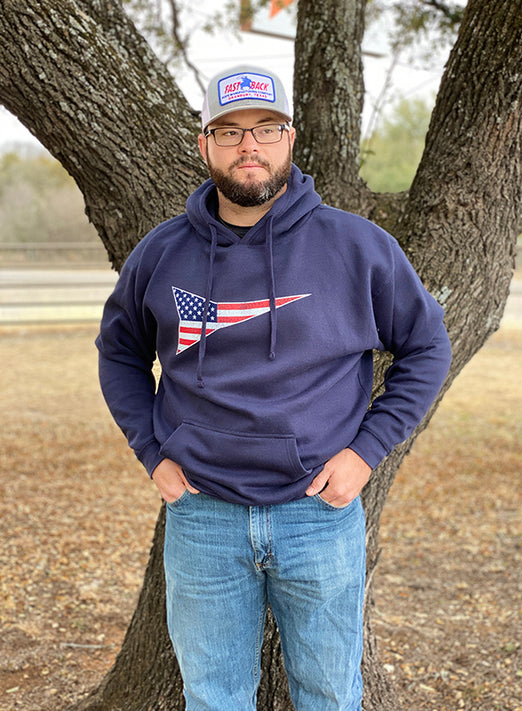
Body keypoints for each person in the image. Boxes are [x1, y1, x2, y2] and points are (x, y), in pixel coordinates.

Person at [96, 64, 452, 710]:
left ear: (290, 139)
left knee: (327, 695)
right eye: (228, 132)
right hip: (203, 515)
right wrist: (151, 451)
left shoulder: (356, 247)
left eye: (264, 128)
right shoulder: (162, 254)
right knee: (213, 697)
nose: (248, 146)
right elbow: (118, 351)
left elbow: (427, 346)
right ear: (204, 145)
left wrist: (365, 452)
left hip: (317, 513)